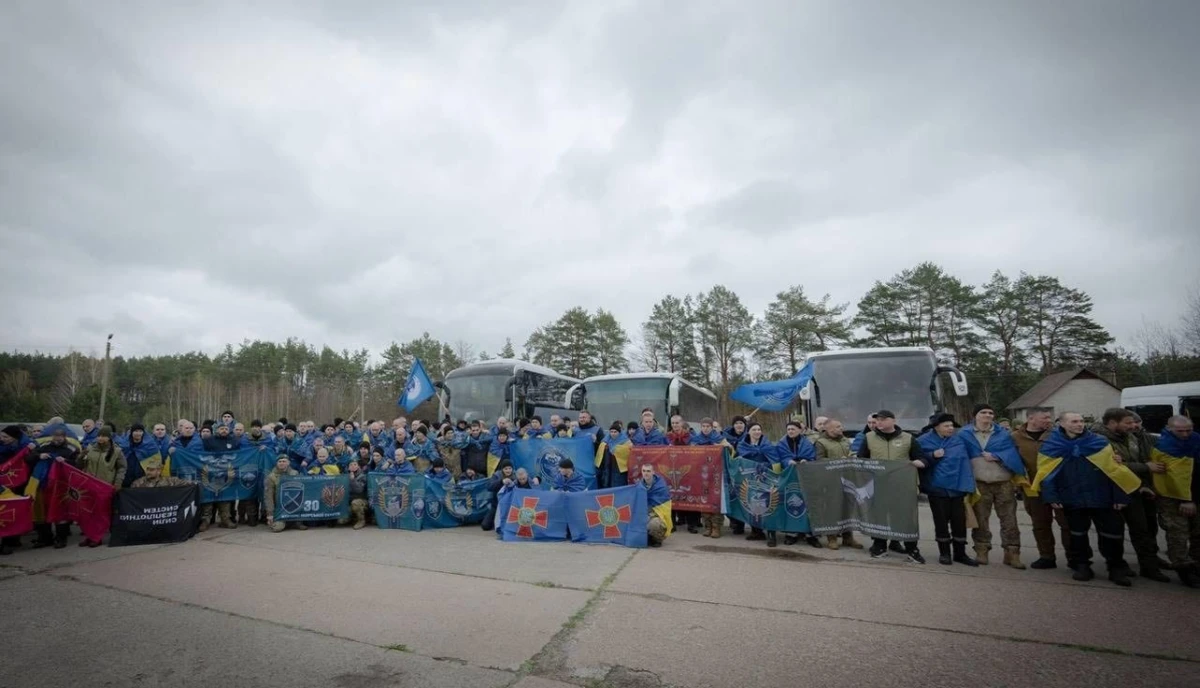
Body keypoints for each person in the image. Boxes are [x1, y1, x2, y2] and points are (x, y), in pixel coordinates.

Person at [1033, 412, 1140, 587]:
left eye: (1081, 421)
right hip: (1072, 497)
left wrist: (1120, 496)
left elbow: (1115, 471)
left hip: (1102, 497)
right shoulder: (1052, 445)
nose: (1079, 424)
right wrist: (1051, 496)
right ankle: (1082, 566)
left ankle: (1116, 568)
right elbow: (1046, 473)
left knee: (1112, 535)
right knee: (1077, 535)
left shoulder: (1099, 442)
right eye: (1074, 421)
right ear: (1062, 424)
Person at [1092, 407, 1170, 582]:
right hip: (1117, 490)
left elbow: (1135, 460)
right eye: (1128, 423)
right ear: (1112, 423)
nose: (1133, 426)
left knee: (1148, 527)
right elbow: (1111, 467)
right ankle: (1122, 566)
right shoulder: (1099, 441)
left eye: (1135, 422)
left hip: (1140, 487)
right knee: (1124, 530)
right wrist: (1145, 467)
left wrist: (1145, 482)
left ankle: (1150, 562)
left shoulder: (1131, 437)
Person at [960, 403, 1026, 569]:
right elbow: (959, 456)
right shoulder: (964, 434)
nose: (988, 415)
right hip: (979, 483)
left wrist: (996, 455)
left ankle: (1012, 553)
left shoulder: (1003, 434)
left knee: (1009, 519)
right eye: (984, 412)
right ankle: (982, 550)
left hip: (1003, 482)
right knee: (981, 519)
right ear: (976, 415)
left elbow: (1013, 455)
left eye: (991, 413)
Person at [856, 410, 926, 564]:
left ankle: (911, 548)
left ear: (893, 420)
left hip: (902, 486)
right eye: (877, 420)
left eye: (883, 419)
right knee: (880, 516)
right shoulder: (869, 438)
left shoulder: (908, 438)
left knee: (905, 517)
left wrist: (919, 463)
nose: (879, 422)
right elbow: (861, 459)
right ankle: (879, 545)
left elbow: (921, 458)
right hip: (878, 485)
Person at [1013, 408, 1072, 570]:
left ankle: (1073, 557)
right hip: (1033, 487)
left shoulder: (1059, 434)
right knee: (1040, 523)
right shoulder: (1015, 437)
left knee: (1066, 523)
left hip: (1060, 486)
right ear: (1031, 418)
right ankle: (1046, 556)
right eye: (1045, 417)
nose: (1049, 420)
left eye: (1049, 417)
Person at [917, 414, 978, 566]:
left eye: (952, 426)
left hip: (958, 488)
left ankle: (960, 553)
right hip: (937, 489)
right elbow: (916, 459)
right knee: (941, 522)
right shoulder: (923, 441)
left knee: (959, 522)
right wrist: (932, 455)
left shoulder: (959, 440)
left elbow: (968, 457)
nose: (951, 428)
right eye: (947, 426)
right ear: (936, 427)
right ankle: (944, 553)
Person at [1151, 415, 1199, 587]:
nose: (1185, 434)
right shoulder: (1163, 447)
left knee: (1198, 532)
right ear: (1169, 428)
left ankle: (1196, 563)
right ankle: (1184, 568)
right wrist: (1186, 500)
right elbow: (1175, 478)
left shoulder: (1196, 441)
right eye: (1180, 431)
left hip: (1195, 494)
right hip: (1172, 497)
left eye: (1189, 430)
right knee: (1178, 533)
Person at [32, 427, 82, 548]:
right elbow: (30, 456)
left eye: (60, 436)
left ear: (64, 437)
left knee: (60, 511)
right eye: (55, 436)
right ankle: (45, 538)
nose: (57, 439)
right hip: (43, 483)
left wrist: (66, 461)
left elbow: (78, 464)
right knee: (42, 510)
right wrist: (39, 456)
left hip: (61, 485)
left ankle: (61, 538)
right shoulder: (44, 446)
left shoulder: (72, 448)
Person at [775, 420, 821, 547]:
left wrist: (806, 460)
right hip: (789, 477)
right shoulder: (781, 444)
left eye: (793, 429)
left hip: (805, 477)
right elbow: (779, 458)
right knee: (790, 503)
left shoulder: (807, 443)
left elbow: (813, 457)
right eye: (789, 429)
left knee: (807, 505)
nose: (790, 431)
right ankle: (791, 533)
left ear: (800, 430)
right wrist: (788, 461)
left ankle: (810, 535)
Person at [737, 422, 781, 547]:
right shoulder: (742, 445)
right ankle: (756, 531)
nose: (757, 431)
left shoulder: (768, 445)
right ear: (748, 432)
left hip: (766, 478)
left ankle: (771, 534)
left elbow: (775, 460)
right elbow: (741, 459)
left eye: (759, 429)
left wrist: (764, 465)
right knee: (752, 503)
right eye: (754, 429)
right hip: (750, 478)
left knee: (768, 504)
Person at [264, 456, 307, 533]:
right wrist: (270, 514)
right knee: (277, 528)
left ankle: (295, 521)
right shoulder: (271, 477)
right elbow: (268, 497)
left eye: (284, 461)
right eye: (279, 461)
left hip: (294, 507)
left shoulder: (295, 473)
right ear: (276, 463)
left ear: (288, 463)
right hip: (279, 508)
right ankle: (286, 522)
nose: (282, 463)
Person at [639, 463, 673, 547]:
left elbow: (662, 508)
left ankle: (657, 539)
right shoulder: (639, 485)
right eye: (644, 471)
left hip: (658, 515)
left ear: (653, 472)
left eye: (648, 471)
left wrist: (649, 515)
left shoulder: (660, 486)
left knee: (654, 524)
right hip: (644, 513)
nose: (646, 473)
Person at [595, 421, 631, 490]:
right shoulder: (604, 443)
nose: (613, 434)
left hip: (620, 473)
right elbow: (599, 459)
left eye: (615, 432)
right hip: (607, 471)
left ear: (619, 432)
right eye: (611, 432)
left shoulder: (626, 443)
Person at [482, 460, 516, 531]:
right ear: (502, 469)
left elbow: (526, 480)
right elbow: (489, 486)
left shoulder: (516, 476)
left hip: (511, 507)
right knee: (485, 526)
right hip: (497, 506)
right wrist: (501, 482)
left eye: (510, 468)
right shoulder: (497, 475)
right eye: (506, 469)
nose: (508, 470)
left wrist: (537, 478)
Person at [344, 460, 368, 529]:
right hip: (349, 501)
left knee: (355, 503)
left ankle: (361, 520)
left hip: (361, 501)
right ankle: (353, 518)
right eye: (351, 465)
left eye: (355, 464)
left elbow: (359, 490)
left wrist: (352, 480)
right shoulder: (344, 476)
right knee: (341, 521)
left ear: (358, 466)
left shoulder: (362, 476)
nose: (353, 466)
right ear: (348, 467)